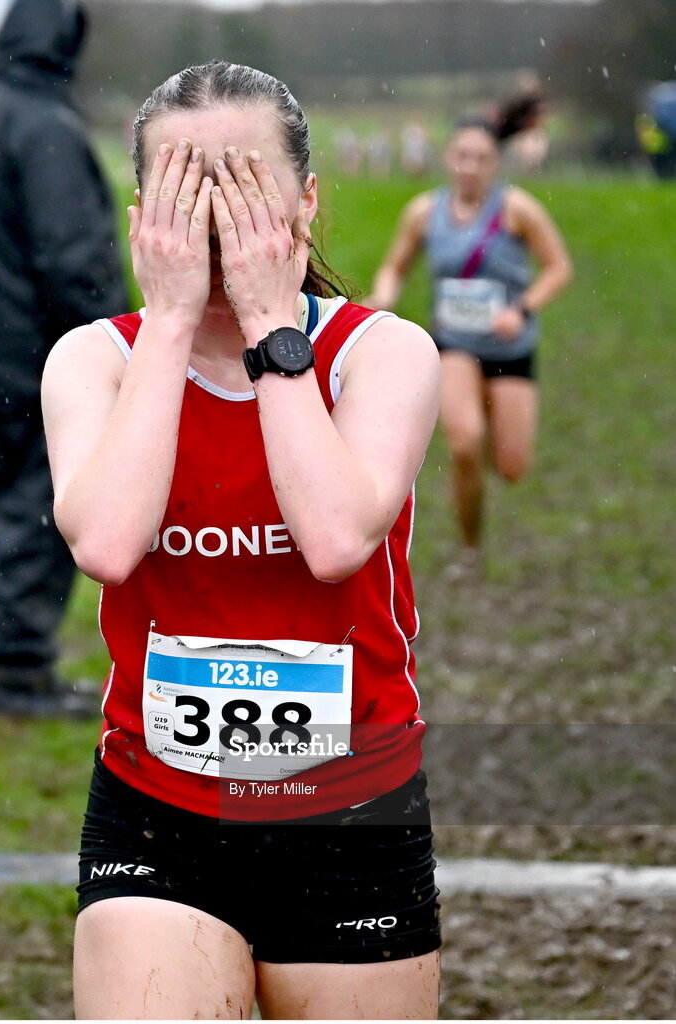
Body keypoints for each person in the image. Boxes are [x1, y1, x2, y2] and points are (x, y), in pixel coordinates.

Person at [42, 61, 442, 1019]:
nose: (217, 220)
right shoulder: (93, 360)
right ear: (144, 212)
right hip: (160, 809)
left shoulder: (385, 353)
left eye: (245, 187)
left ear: (306, 200)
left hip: (352, 812)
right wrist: (174, 319)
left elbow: (336, 536)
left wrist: (270, 322)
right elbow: (104, 541)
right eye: (188, 191)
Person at [0, 0, 129, 716]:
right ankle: (17, 674)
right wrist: (120, 348)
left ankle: (15, 662)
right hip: (32, 364)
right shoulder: (42, 125)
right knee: (42, 513)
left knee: (12, 507)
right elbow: (73, 257)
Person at [366, 97, 573, 571]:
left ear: (495, 163)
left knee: (512, 467)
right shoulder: (424, 212)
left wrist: (522, 308)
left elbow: (558, 268)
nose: (469, 167)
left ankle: (488, 417)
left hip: (509, 345)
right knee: (463, 444)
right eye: (461, 156)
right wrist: (385, 295)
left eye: (480, 158)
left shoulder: (517, 208)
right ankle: (471, 547)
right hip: (454, 343)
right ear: (447, 158)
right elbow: (395, 267)